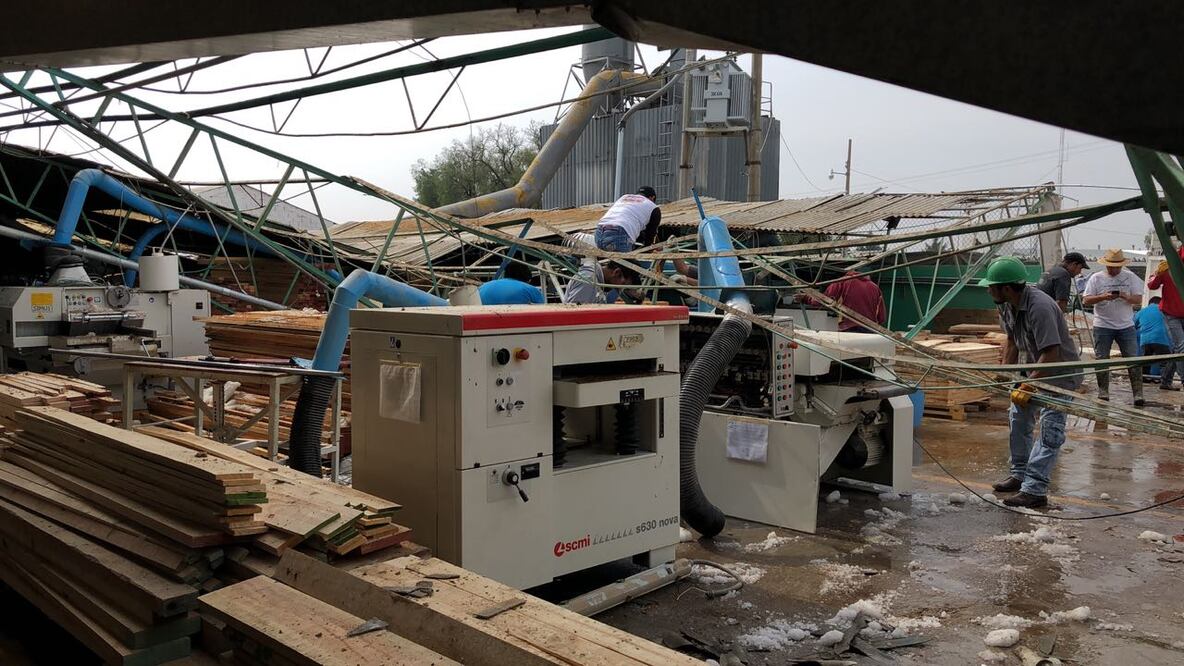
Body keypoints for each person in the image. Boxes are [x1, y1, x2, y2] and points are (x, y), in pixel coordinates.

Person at [980, 256, 1082, 508]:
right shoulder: (1005, 304)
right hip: (1032, 372)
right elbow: (1013, 341)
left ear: (1005, 287)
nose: (987, 290)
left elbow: (1051, 353)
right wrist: (1005, 375)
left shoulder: (1041, 307)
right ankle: (1019, 473)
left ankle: (1035, 490)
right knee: (1018, 420)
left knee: (1050, 431)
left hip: (1059, 376)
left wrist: (1029, 384)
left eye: (991, 286)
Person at [1082, 248, 1145, 405]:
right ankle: (1103, 390)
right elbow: (1086, 300)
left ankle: (1138, 393)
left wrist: (1125, 296)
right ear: (1106, 265)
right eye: (1111, 266)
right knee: (1102, 358)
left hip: (1126, 326)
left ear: (1122, 265)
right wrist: (1103, 296)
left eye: (1117, 266)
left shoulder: (1131, 278)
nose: (1114, 269)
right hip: (1102, 325)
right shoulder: (1096, 278)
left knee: (1132, 359)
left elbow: (1138, 299)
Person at [802, 270, 887, 333]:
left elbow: (824, 300)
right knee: (866, 356)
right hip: (870, 331)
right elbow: (881, 317)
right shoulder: (875, 288)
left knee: (846, 356)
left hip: (848, 329)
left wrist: (806, 298)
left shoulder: (842, 282)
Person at [1147, 246, 1184, 390]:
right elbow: (1152, 285)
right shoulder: (1168, 267)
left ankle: (1166, 381)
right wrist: (1158, 273)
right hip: (1171, 314)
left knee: (1178, 349)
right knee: (1181, 346)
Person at [594, 186, 662, 253]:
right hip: (619, 233)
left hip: (599, 232)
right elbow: (650, 234)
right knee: (627, 263)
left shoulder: (624, 197)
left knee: (609, 261)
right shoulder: (654, 207)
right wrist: (648, 249)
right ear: (652, 197)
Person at [1135, 296, 1174, 386]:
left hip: (1145, 340)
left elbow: (1133, 324)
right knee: (1165, 362)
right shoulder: (1163, 310)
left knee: (1146, 361)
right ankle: (1164, 382)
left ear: (1150, 303)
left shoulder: (1142, 311)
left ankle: (1145, 379)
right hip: (1161, 339)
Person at [563, 260, 631, 304]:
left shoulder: (596, 282)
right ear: (616, 272)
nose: (620, 289)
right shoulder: (588, 281)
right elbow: (576, 316)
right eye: (623, 284)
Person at [477, 261, 545, 305]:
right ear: (527, 277)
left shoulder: (483, 287)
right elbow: (543, 311)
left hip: (485, 324)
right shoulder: (530, 289)